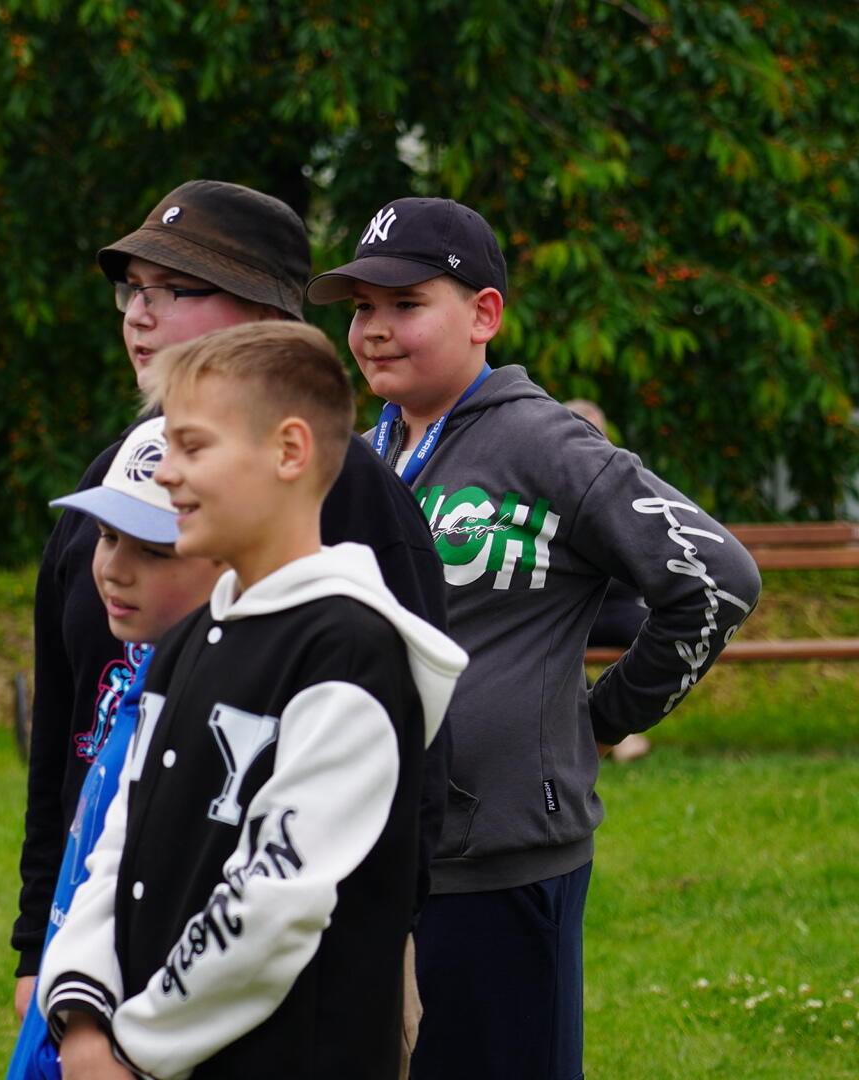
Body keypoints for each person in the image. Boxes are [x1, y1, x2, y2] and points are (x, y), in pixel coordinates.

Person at [306, 197, 763, 1080]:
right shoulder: (359, 457)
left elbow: (717, 578)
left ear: (484, 314)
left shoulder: (544, 443)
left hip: (502, 863)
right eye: (361, 307)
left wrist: (604, 718)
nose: (374, 329)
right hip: (369, 855)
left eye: (406, 303)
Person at [14, 182, 451, 1068]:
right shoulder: (191, 630)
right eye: (132, 290)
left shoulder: (350, 634)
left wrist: (132, 1044)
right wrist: (71, 987)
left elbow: (278, 899)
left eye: (174, 290)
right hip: (124, 1001)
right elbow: (104, 795)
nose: (138, 314)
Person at [7, 416, 224, 1080]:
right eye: (105, 536)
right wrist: (53, 969)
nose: (112, 569)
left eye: (154, 551)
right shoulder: (143, 684)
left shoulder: (242, 701)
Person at [564, 398, 653, 764]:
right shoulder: (545, 482)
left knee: (660, 633)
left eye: (594, 432)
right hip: (567, 607)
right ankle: (606, 732)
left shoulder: (624, 482)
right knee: (550, 638)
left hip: (616, 606)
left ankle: (619, 721)